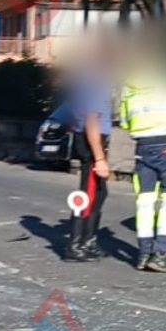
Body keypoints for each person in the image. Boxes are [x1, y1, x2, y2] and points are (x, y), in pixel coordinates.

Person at [118, 59, 166, 273]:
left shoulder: (127, 88)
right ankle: (163, 253)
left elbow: (124, 122)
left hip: (143, 148)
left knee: (145, 201)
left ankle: (143, 253)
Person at [63, 52, 114, 263]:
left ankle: (89, 241)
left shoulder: (83, 83)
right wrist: (100, 158)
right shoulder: (95, 83)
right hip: (93, 141)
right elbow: (91, 121)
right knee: (90, 194)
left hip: (86, 140)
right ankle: (76, 245)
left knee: (99, 193)